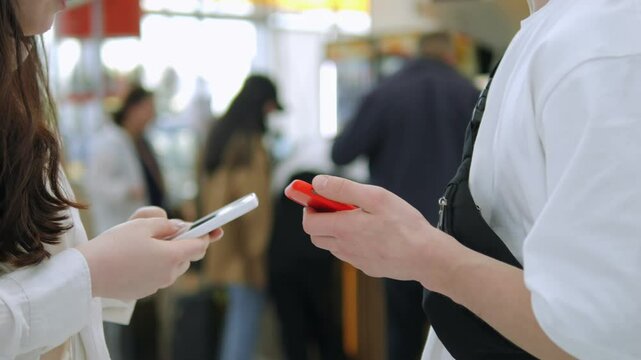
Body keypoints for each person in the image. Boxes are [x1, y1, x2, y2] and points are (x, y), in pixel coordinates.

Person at [300, 0, 641, 359]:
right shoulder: (536, 47)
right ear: (450, 54)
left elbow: (602, 331)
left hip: (410, 231)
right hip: (418, 236)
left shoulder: (602, 43)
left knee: (399, 332)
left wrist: (422, 253)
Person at [0, 1, 222, 359]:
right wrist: (91, 270)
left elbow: (32, 273)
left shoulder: (20, 89)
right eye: (146, 110)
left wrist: (111, 264)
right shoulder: (107, 140)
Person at [331, 31, 479, 360]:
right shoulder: (470, 93)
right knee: (457, 337)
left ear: (413, 55)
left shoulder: (385, 92)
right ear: (451, 56)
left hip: (393, 231)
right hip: (455, 235)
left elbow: (342, 152)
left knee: (403, 333)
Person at [199, 74, 281, 360]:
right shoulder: (249, 144)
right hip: (244, 249)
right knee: (244, 320)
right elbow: (254, 203)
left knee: (238, 315)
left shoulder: (221, 133)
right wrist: (257, 250)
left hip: (223, 240)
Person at [86, 85, 168, 360]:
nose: (152, 116)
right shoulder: (110, 141)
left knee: (140, 311)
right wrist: (126, 190)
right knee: (119, 316)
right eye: (148, 109)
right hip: (117, 234)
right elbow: (96, 183)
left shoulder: (136, 140)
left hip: (137, 236)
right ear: (133, 108)